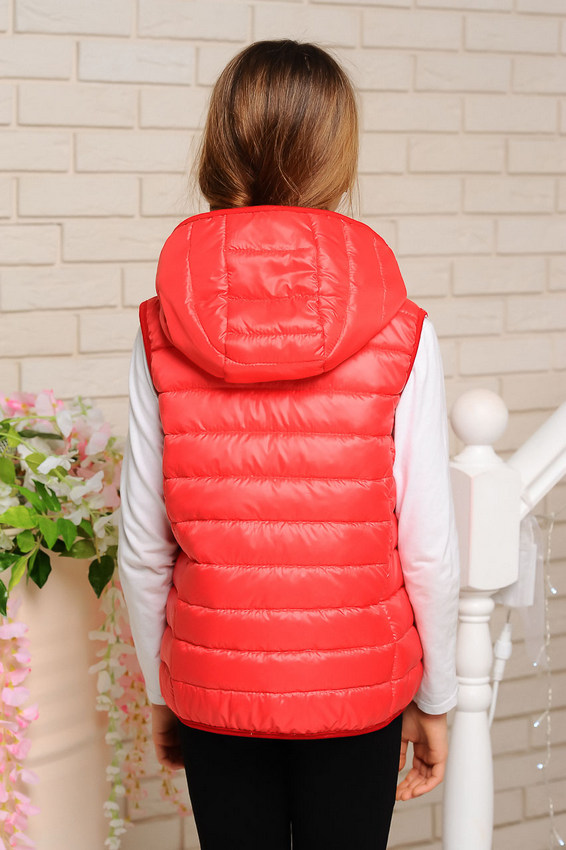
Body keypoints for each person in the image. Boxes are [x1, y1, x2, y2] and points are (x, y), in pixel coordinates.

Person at [118, 39, 460, 850]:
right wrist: (438, 697)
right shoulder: (402, 330)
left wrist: (165, 689)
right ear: (337, 154)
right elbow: (428, 547)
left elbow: (142, 546)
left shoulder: (161, 327)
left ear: (220, 143)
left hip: (215, 686)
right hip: (357, 689)